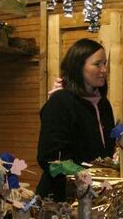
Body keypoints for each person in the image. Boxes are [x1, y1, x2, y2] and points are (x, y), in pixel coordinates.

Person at [36, 39, 115, 201]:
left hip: (95, 193)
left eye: (105, 63)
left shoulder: (103, 104)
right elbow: (49, 158)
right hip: (62, 196)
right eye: (97, 64)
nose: (104, 70)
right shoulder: (60, 102)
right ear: (79, 67)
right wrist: (79, 174)